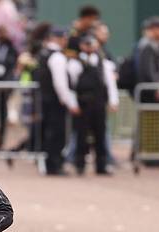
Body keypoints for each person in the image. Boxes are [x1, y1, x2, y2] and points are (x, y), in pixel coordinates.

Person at [67, 35, 119, 175]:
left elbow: (110, 84)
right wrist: (72, 104)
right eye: (86, 44)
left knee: (100, 135)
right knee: (81, 135)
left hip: (99, 104)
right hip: (82, 104)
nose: (89, 47)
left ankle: (101, 165)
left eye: (92, 44)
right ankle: (80, 164)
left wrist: (113, 101)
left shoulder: (104, 64)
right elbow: (71, 86)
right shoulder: (75, 63)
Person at [38, 26, 79, 175]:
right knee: (58, 134)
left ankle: (51, 164)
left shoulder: (44, 53)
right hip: (56, 101)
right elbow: (60, 82)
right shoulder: (57, 56)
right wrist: (66, 100)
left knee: (51, 133)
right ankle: (55, 165)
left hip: (47, 99)